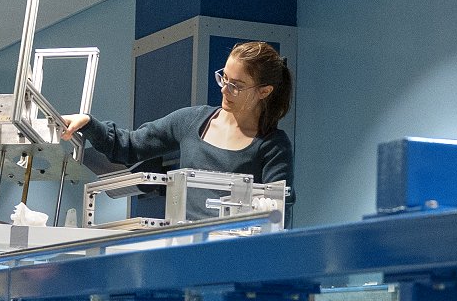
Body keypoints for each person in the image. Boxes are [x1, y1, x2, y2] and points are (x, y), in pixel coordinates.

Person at [61, 41, 293, 216]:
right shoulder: (190, 121)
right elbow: (129, 146)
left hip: (236, 258)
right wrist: (89, 124)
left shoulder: (273, 146)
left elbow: (278, 210)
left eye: (236, 86)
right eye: (224, 78)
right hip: (186, 250)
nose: (224, 90)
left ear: (264, 91)